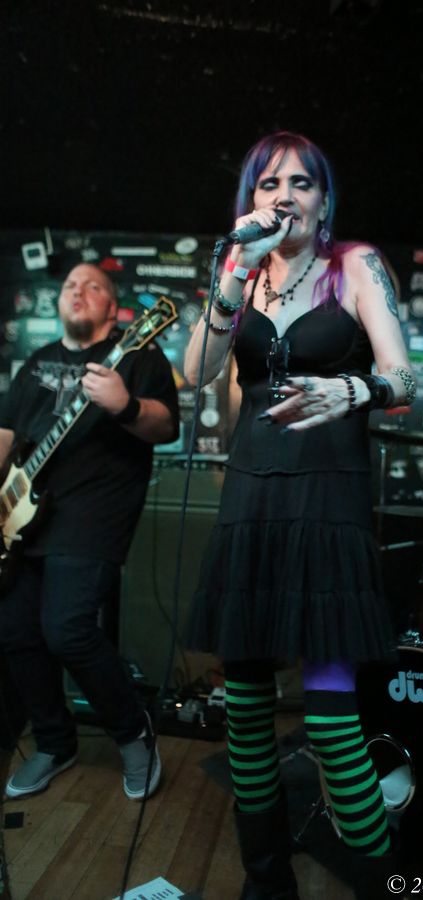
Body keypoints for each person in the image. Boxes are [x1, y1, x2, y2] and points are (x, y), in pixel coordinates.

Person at [185, 132, 416, 899]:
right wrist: (232, 273)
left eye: (301, 182)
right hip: (253, 499)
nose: (284, 195)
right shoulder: (243, 275)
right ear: (250, 200)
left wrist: (355, 390)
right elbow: (199, 372)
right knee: (246, 711)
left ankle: (379, 883)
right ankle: (266, 879)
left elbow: (405, 376)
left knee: (330, 719)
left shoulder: (355, 265)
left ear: (324, 201)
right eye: (268, 183)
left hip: (328, 502)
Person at [0, 264, 179, 801]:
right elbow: (6, 435)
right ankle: (55, 742)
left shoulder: (138, 354)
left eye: (93, 286)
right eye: (70, 286)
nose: (78, 292)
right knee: (15, 630)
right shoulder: (37, 362)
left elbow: (165, 425)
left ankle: (133, 734)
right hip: (22, 517)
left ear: (113, 307)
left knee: (67, 629)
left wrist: (125, 405)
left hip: (93, 515)